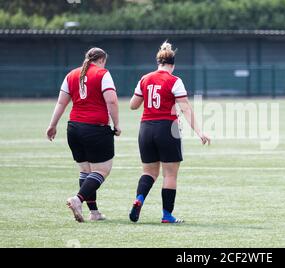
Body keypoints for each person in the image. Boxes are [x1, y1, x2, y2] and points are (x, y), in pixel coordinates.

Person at [128, 41, 210, 224]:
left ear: (158, 62)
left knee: (149, 172)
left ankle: (139, 199)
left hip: (146, 129)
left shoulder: (145, 78)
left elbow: (133, 105)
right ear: (172, 64)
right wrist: (200, 132)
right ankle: (167, 215)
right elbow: (186, 109)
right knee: (170, 174)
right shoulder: (175, 81)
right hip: (167, 129)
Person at [46, 47, 121, 223]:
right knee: (102, 170)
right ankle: (77, 199)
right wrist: (116, 124)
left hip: (73, 129)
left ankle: (94, 213)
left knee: (85, 171)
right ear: (102, 60)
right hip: (95, 128)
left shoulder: (71, 75)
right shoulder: (103, 74)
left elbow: (61, 102)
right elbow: (111, 100)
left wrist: (52, 125)